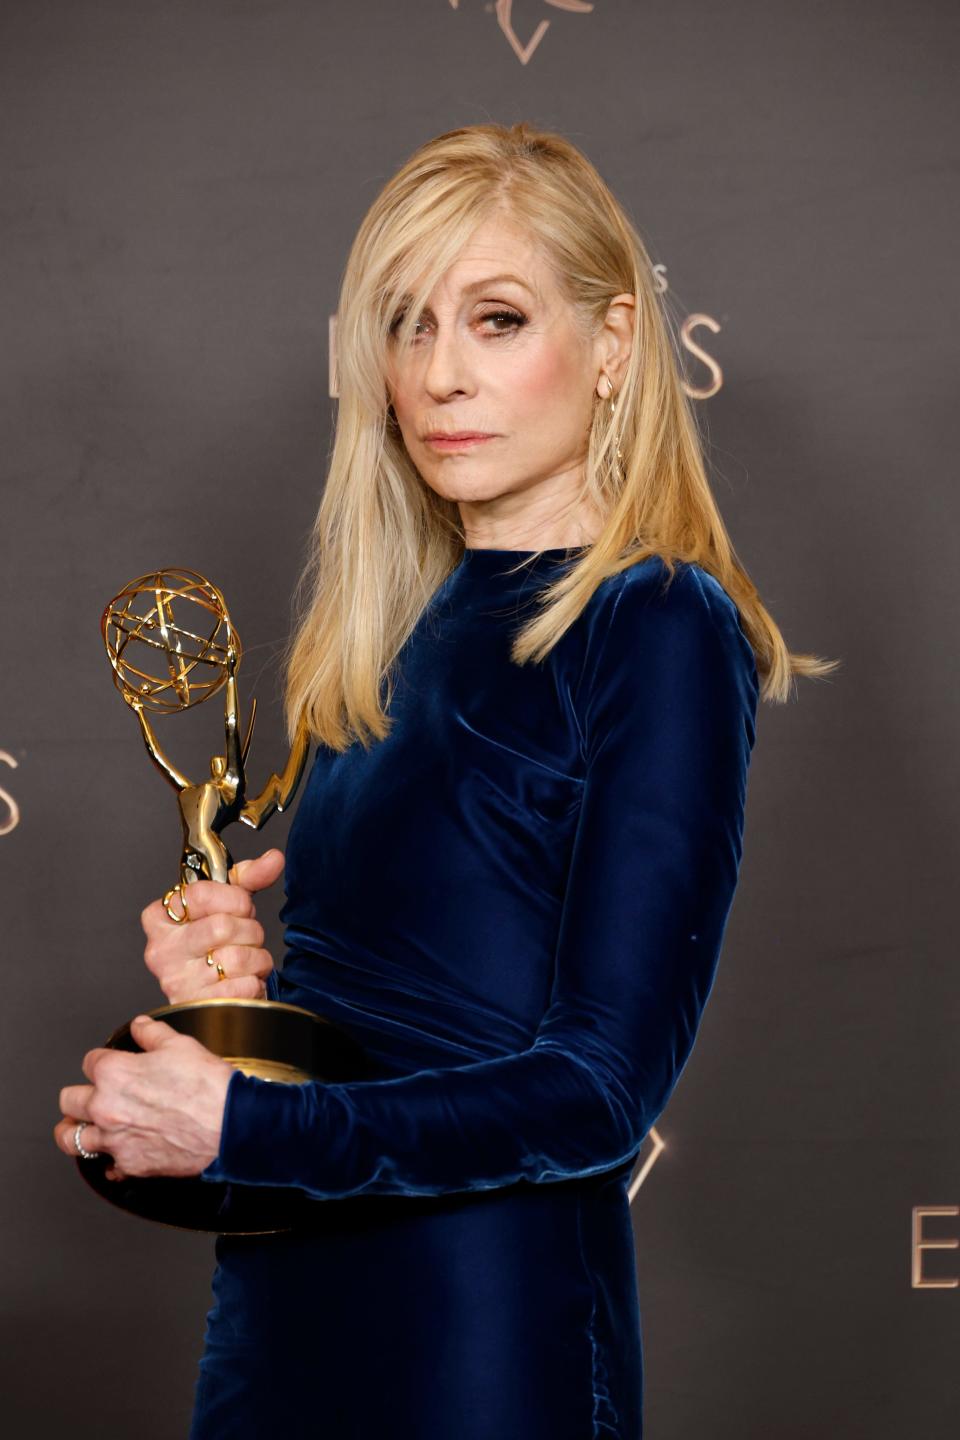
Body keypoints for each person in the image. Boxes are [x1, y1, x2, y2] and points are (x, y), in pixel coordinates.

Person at [55, 122, 836, 1437]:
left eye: (497, 319)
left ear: (613, 344)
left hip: (483, 1344)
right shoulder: (385, 640)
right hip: (278, 1320)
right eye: (409, 326)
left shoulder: (654, 626)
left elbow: (597, 1093)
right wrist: (239, 1017)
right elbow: (371, 1049)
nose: (442, 375)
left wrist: (253, 1131)